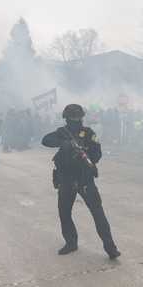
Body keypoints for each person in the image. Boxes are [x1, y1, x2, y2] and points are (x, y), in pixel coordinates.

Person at [42, 104, 120, 259]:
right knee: (64, 213)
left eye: (77, 117)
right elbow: (45, 140)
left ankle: (110, 247)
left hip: (84, 178)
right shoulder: (62, 133)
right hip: (66, 179)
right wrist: (63, 144)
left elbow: (97, 154)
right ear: (67, 118)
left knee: (98, 214)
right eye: (73, 117)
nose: (76, 120)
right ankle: (71, 242)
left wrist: (84, 156)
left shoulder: (89, 133)